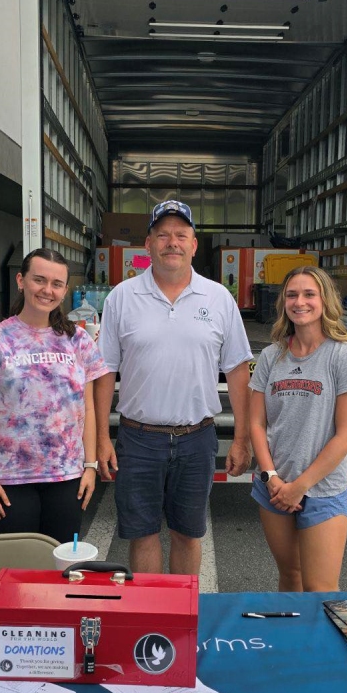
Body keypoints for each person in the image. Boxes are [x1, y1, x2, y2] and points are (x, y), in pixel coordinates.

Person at [94, 199, 253, 576]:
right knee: (142, 534)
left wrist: (242, 439)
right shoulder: (121, 297)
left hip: (196, 439)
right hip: (138, 438)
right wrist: (101, 437)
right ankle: (150, 620)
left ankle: (181, 620)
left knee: (188, 534)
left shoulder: (218, 299)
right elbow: (104, 372)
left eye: (181, 235)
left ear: (194, 244)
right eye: (163, 235)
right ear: (147, 243)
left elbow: (237, 372)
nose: (172, 243)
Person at [0, 248, 108, 540]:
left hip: (67, 476)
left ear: (65, 290)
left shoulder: (78, 341)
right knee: (20, 568)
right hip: (12, 479)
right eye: (39, 280)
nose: (47, 290)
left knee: (60, 564)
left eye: (56, 284)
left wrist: (90, 467)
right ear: (21, 281)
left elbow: (86, 409)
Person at [249, 265, 347, 592]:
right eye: (292, 295)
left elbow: (346, 436)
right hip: (274, 487)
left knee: (320, 589)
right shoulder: (272, 356)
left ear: (324, 301)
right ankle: (291, 642)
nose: (299, 302)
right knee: (290, 577)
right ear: (283, 303)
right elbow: (256, 423)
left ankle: (322, 645)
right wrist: (272, 478)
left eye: (308, 294)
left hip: (323, 489)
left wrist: (299, 486)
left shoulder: (344, 357)